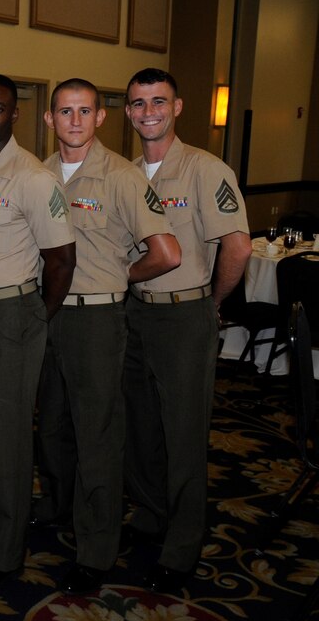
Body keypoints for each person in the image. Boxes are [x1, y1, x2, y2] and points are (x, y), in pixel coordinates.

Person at [33, 79, 180, 594]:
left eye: (84, 111)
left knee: (97, 435)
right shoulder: (39, 173)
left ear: (100, 117)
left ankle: (96, 549)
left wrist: (121, 276)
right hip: (47, 314)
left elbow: (167, 253)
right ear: (49, 118)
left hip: (95, 319)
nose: (74, 120)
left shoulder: (121, 176)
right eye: (64, 111)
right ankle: (58, 507)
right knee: (52, 425)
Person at [122, 68, 251, 593]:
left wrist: (212, 303)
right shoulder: (127, 173)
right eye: (138, 103)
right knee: (140, 426)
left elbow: (238, 247)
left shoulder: (204, 169)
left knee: (183, 432)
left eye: (158, 101)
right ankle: (151, 514)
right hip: (134, 314)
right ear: (128, 112)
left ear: (177, 107)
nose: (148, 111)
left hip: (184, 316)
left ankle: (182, 543)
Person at [0, 73, 76, 592]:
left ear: (15, 115)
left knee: (7, 440)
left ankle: (4, 551)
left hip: (10, 315)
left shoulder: (33, 177)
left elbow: (62, 260)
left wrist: (35, 319)